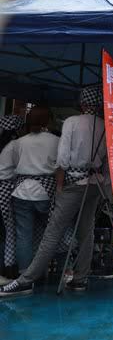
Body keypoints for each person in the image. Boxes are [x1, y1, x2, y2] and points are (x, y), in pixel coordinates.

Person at [2, 86, 107, 297]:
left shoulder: (72, 122)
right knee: (86, 231)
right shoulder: (106, 126)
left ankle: (25, 280)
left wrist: (59, 187)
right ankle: (80, 278)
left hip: (73, 184)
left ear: (82, 104)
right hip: (95, 183)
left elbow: (63, 159)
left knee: (52, 233)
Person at [11, 107, 59, 274]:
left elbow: (15, 164)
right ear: (49, 121)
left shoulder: (19, 142)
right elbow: (60, 165)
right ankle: (50, 269)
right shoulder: (56, 141)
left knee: (23, 235)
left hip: (21, 191)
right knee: (51, 233)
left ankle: (25, 273)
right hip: (46, 191)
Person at [0, 116, 23, 281]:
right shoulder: (15, 145)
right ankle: (5, 269)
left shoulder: (3, 145)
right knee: (7, 232)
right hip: (6, 189)